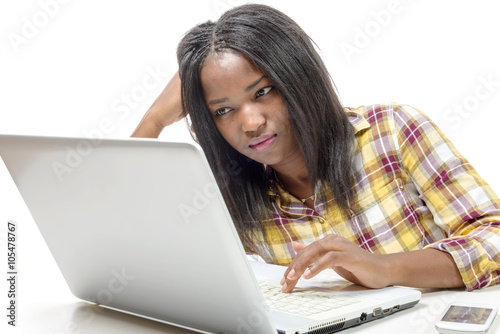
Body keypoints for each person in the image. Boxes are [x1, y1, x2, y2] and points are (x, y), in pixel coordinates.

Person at [132, 4, 500, 293]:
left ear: (299, 78)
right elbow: (133, 247)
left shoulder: (392, 131)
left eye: (263, 92)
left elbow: (494, 238)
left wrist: (386, 269)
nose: (251, 123)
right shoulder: (228, 191)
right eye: (223, 110)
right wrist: (153, 121)